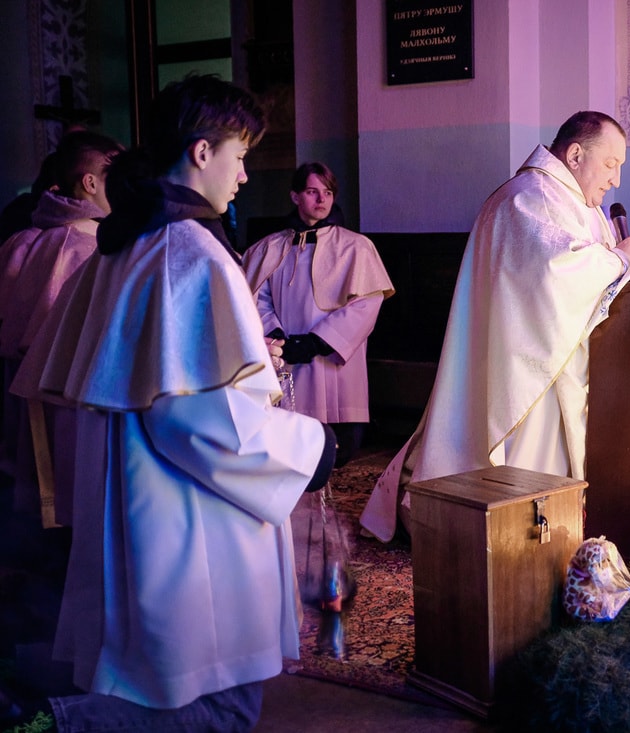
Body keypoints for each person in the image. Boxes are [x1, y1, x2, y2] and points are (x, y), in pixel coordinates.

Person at [12, 74, 337, 732]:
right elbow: (193, 418)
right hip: (192, 511)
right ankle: (52, 720)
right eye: (239, 155)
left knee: (168, 680)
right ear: (200, 152)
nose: (244, 176)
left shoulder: (128, 240)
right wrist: (309, 447)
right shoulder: (187, 251)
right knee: (221, 702)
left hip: (144, 502)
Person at [360, 110, 630, 542]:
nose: (617, 180)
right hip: (530, 370)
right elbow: (556, 274)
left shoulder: (575, 202)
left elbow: (592, 268)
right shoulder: (529, 197)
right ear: (575, 154)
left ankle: (555, 530)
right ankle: (517, 539)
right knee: (523, 479)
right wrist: (621, 260)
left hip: (562, 359)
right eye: (611, 164)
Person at [0, 130, 121, 527]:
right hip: (74, 395)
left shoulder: (35, 237)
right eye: (114, 177)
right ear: (90, 183)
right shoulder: (80, 244)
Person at [243, 161, 394, 467]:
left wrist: (317, 342)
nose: (322, 199)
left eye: (327, 192)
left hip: (333, 361)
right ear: (295, 196)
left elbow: (366, 304)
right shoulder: (268, 248)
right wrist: (275, 335)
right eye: (312, 191)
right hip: (286, 358)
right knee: (290, 449)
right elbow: (257, 299)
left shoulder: (356, 247)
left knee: (339, 449)